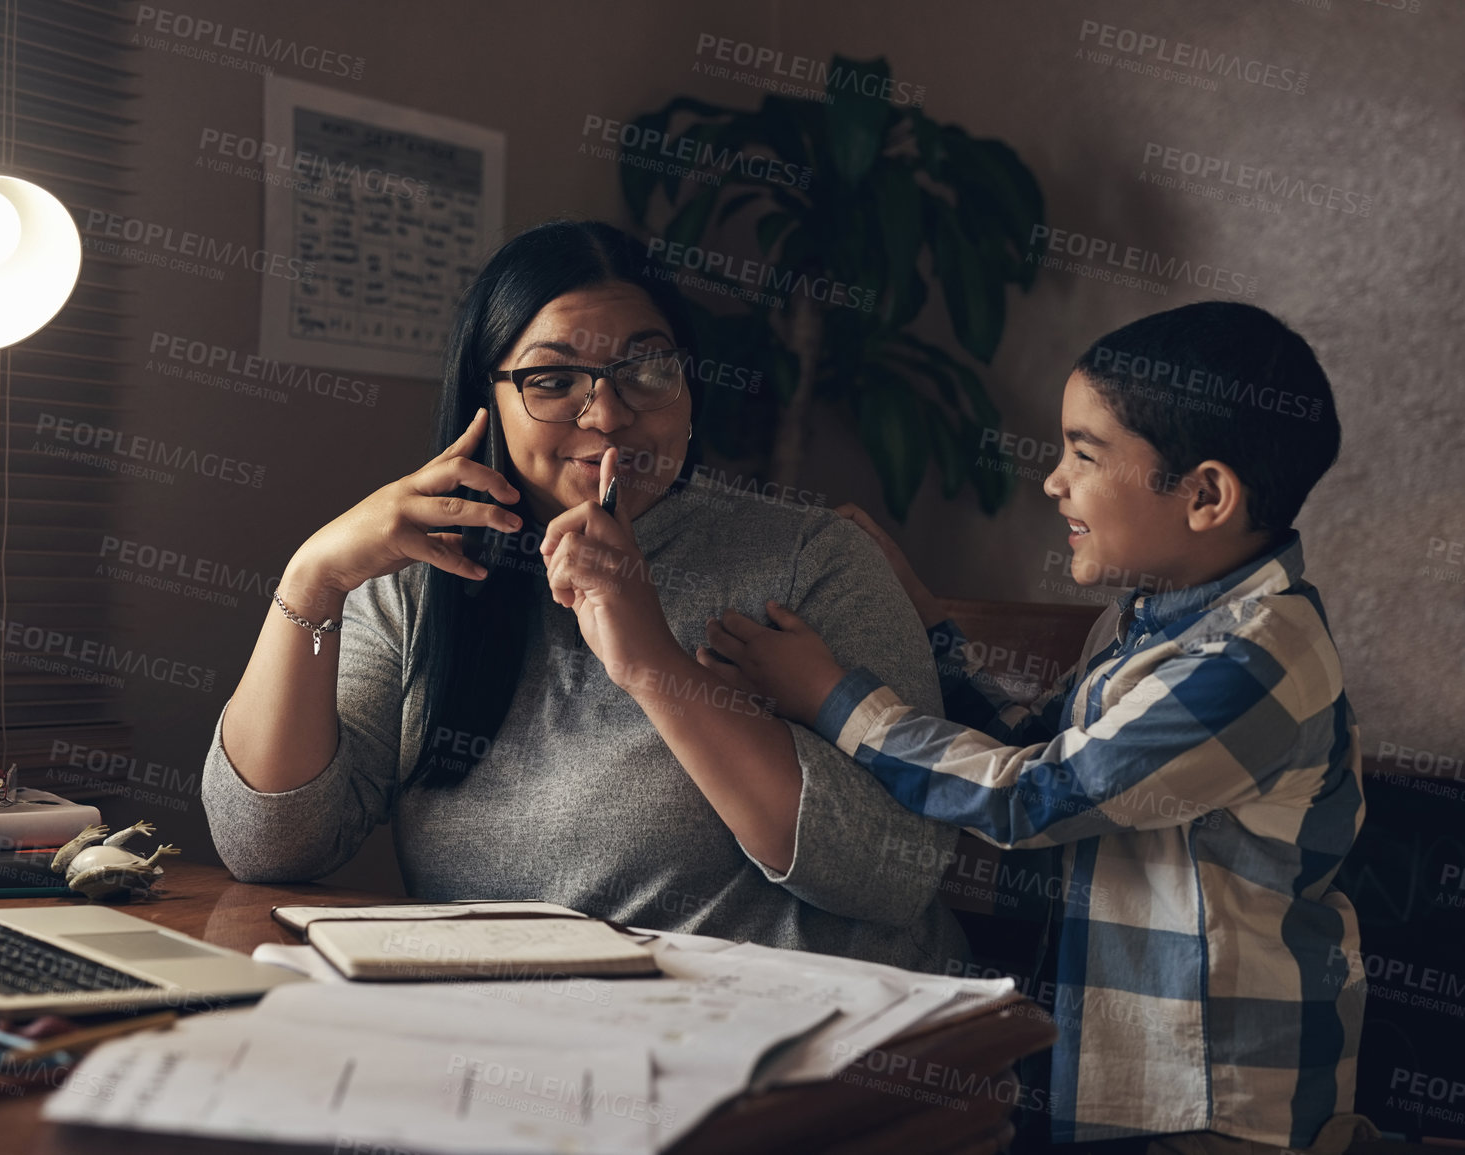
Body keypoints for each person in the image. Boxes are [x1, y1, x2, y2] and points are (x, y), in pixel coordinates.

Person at [201, 219, 969, 971]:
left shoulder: (812, 558)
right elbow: (271, 846)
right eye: (552, 379)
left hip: (787, 1046)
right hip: (513, 1041)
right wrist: (314, 577)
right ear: (487, 397)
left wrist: (648, 660)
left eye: (646, 369)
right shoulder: (417, 583)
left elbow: (894, 872)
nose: (606, 414)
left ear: (688, 388)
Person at [700, 301, 1376, 1153]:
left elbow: (1036, 797)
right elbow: (1027, 749)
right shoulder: (1144, 620)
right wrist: (927, 625)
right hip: (1116, 1085)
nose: (1053, 480)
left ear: (1204, 494)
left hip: (1215, 1105)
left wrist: (833, 697)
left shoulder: (1252, 662)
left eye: (1084, 454)